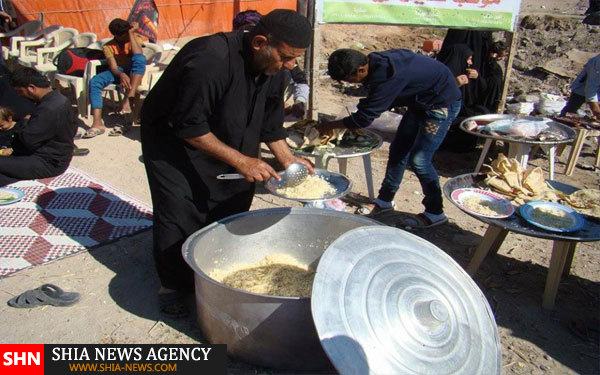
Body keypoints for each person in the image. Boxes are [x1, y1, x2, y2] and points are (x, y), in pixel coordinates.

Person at [140, 9, 314, 317]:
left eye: (296, 58)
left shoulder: (276, 71)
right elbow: (188, 125)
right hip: (174, 143)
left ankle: (210, 268)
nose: (291, 65)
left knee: (232, 202)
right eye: (287, 57)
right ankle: (172, 284)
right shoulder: (211, 59)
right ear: (260, 42)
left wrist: (287, 160)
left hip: (230, 135)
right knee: (180, 209)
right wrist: (242, 160)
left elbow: (270, 123)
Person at [318, 48, 461, 229]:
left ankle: (435, 212)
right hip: (419, 102)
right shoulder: (376, 63)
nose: (350, 84)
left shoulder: (389, 76)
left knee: (420, 161)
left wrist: (329, 126)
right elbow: (375, 102)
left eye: (349, 79)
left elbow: (363, 119)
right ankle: (385, 201)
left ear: (361, 69)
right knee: (398, 151)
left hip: (439, 105)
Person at [0, 67, 77, 186]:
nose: (20, 96)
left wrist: (24, 122)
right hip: (55, 156)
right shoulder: (61, 99)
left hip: (48, 162)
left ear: (31, 88)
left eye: (20, 92)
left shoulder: (48, 108)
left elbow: (28, 141)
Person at [233, 9, 310, 119]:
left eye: (251, 29)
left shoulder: (281, 58)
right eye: (244, 31)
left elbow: (301, 81)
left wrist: (299, 101)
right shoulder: (228, 59)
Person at [83, 18, 146, 138]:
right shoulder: (108, 46)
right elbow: (113, 67)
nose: (127, 36)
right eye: (125, 34)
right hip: (120, 71)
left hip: (135, 71)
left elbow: (138, 54)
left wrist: (132, 33)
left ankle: (129, 99)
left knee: (139, 59)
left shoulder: (134, 38)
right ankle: (97, 122)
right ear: (117, 35)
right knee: (95, 81)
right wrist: (121, 75)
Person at [560, 54, 600, 120]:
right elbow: (591, 89)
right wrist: (597, 112)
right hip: (582, 90)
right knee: (569, 114)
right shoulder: (598, 63)